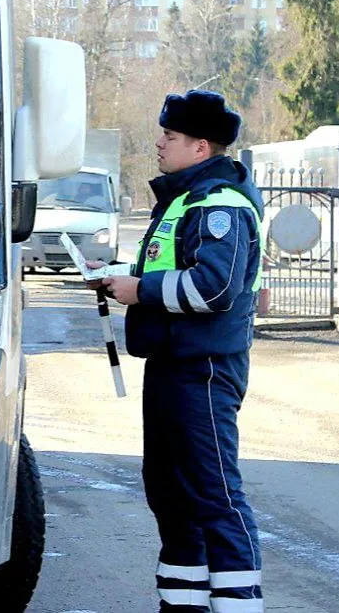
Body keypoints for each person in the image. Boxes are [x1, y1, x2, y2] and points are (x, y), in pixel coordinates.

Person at [86, 90, 264, 613]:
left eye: (170, 136)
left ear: (201, 147)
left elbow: (214, 288)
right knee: (170, 493)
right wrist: (119, 278)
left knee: (214, 493)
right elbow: (174, 269)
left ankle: (239, 605)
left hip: (204, 368)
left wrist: (138, 290)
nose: (160, 144)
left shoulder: (219, 205)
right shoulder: (185, 200)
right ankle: (182, 606)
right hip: (171, 364)